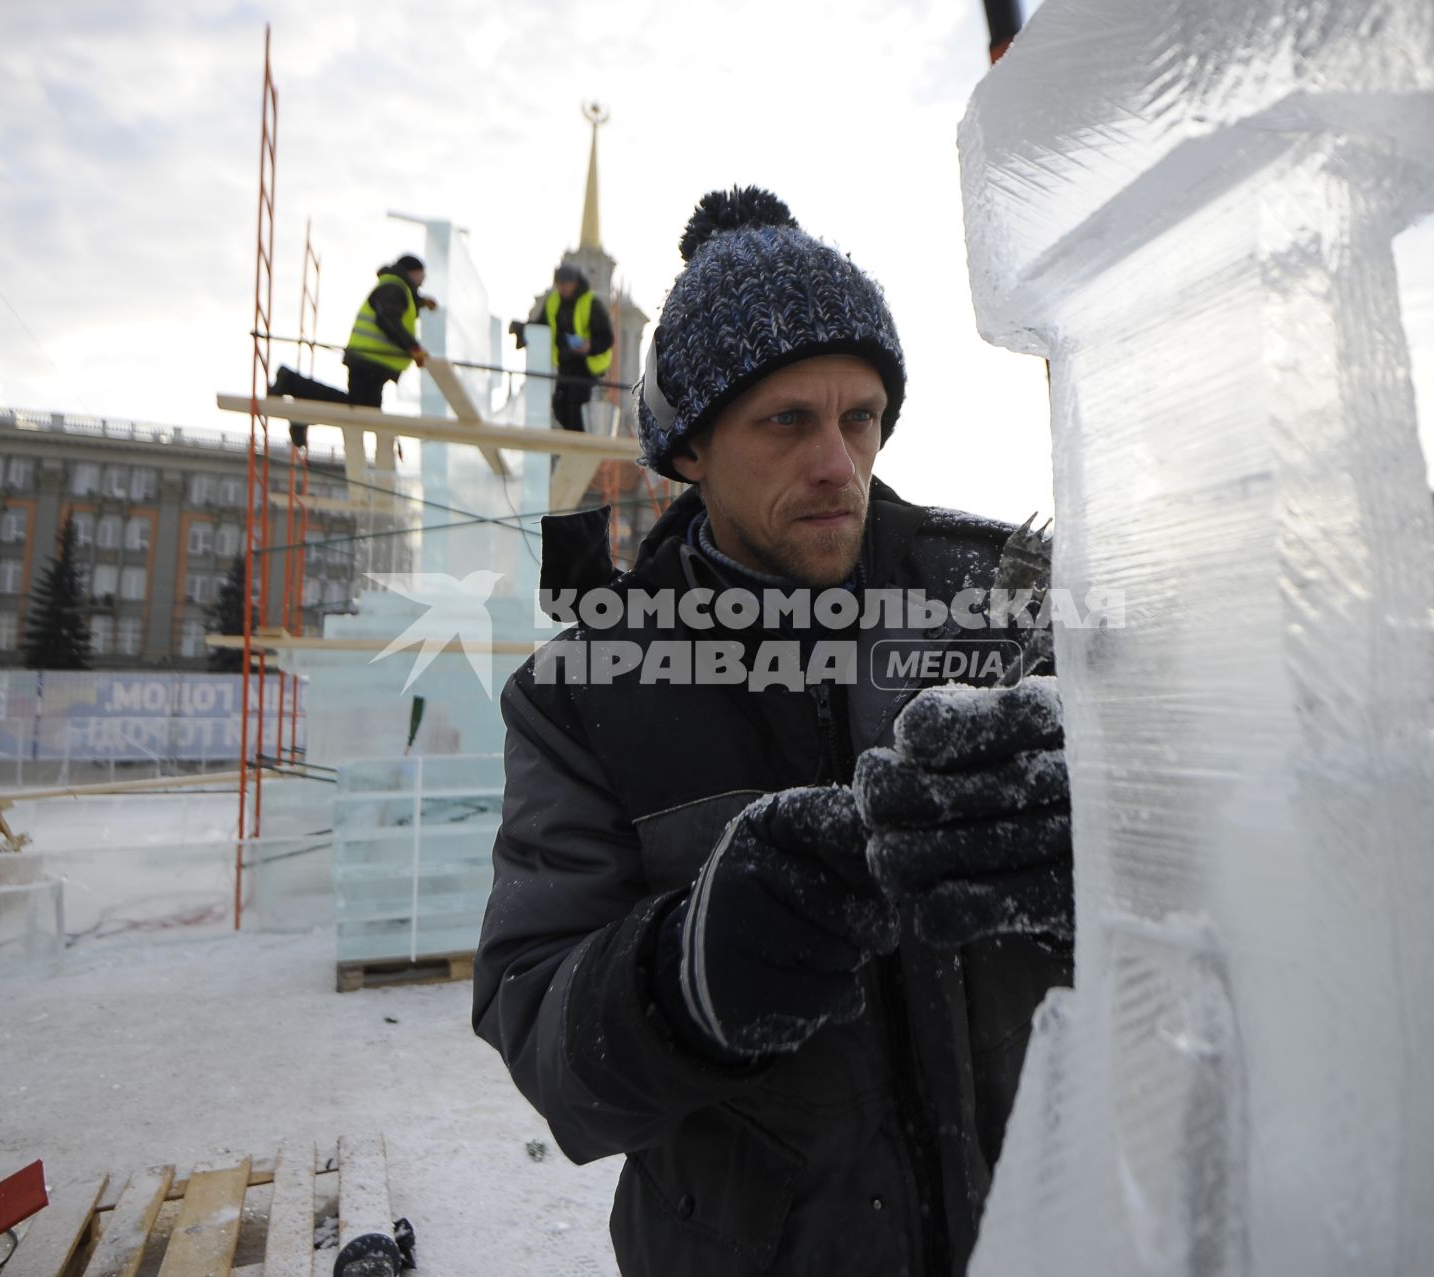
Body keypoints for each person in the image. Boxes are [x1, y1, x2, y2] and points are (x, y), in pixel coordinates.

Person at [472, 187, 1074, 1276]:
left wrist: (1107, 858)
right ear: (692, 448)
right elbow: (541, 1030)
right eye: (787, 420)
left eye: (861, 417)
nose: (839, 463)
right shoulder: (587, 689)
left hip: (1041, 1230)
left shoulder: (1005, 599)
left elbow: (1215, 876)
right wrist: (683, 977)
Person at [269, 254, 437, 445]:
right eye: (421, 278)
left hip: (374, 362)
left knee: (362, 411)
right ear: (413, 273)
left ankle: (300, 407)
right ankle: (292, 383)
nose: (422, 283)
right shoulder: (394, 287)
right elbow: (388, 319)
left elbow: (398, 306)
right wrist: (412, 346)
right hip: (370, 360)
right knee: (360, 411)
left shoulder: (397, 288)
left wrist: (422, 302)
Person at [532, 262, 615, 432]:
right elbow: (542, 324)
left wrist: (589, 346)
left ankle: (579, 450)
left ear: (575, 283)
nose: (563, 288)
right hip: (565, 364)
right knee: (560, 406)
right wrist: (524, 329)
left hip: (586, 368)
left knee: (578, 410)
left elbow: (606, 337)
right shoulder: (554, 301)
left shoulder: (591, 303)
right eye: (559, 284)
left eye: (566, 284)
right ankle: (569, 448)